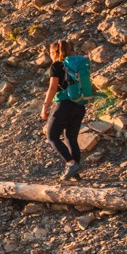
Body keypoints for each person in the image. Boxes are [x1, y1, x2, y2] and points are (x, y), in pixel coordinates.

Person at [41, 39, 91, 179]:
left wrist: (45, 106)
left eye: (51, 52)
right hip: (79, 105)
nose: (50, 55)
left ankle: (71, 164)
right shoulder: (75, 67)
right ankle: (76, 174)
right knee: (71, 138)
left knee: (52, 136)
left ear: (55, 52)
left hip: (64, 105)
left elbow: (52, 87)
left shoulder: (56, 65)